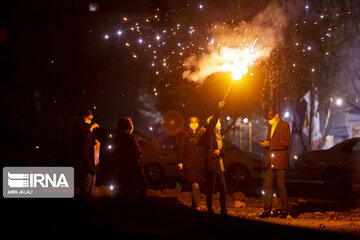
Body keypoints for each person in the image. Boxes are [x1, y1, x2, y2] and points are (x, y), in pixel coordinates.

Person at [259, 107, 290, 219]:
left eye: (271, 117)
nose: (269, 120)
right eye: (268, 118)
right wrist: (267, 143)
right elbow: (271, 141)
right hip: (270, 160)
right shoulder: (270, 126)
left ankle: (285, 210)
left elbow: (285, 143)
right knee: (267, 186)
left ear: (277, 115)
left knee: (281, 186)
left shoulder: (285, 125)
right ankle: (267, 210)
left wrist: (270, 144)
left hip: (281, 160)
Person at [198, 101, 228, 215]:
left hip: (219, 166)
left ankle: (223, 210)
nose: (219, 122)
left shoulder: (218, 135)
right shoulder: (208, 133)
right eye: (218, 121)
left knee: (223, 189)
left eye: (219, 121)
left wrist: (219, 152)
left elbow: (222, 151)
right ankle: (210, 209)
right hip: (211, 165)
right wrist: (219, 109)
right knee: (211, 189)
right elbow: (213, 121)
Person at [114, 117, 147, 202]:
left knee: (125, 193)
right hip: (134, 169)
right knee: (139, 191)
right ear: (128, 126)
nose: (133, 126)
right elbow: (137, 154)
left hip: (123, 170)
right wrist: (140, 154)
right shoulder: (130, 138)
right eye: (131, 124)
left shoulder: (117, 138)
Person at [177, 116, 206, 211]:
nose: (194, 123)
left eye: (195, 121)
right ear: (188, 123)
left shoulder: (201, 132)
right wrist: (180, 161)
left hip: (199, 162)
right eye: (192, 122)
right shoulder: (184, 133)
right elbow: (181, 148)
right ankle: (197, 205)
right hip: (189, 162)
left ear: (198, 122)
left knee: (197, 184)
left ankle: (194, 205)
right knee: (195, 184)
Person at [71, 109, 100, 197]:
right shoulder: (77, 125)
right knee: (87, 181)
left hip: (90, 157)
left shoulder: (84, 125)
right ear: (83, 116)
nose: (90, 120)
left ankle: (89, 201)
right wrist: (91, 128)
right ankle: (83, 202)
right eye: (89, 118)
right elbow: (83, 138)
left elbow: (88, 139)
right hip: (83, 157)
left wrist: (95, 141)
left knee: (93, 180)